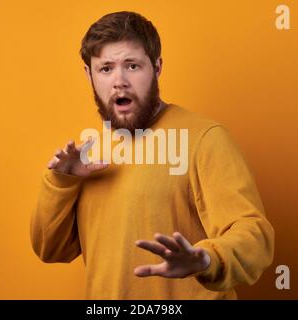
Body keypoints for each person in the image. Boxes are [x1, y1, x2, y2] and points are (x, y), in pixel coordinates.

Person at [30, 11, 274, 299]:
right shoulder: (88, 155)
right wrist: (62, 181)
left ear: (157, 67)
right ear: (89, 75)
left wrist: (206, 259)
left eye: (132, 66)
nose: (119, 81)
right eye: (105, 69)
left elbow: (255, 236)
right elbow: (50, 250)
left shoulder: (205, 139)